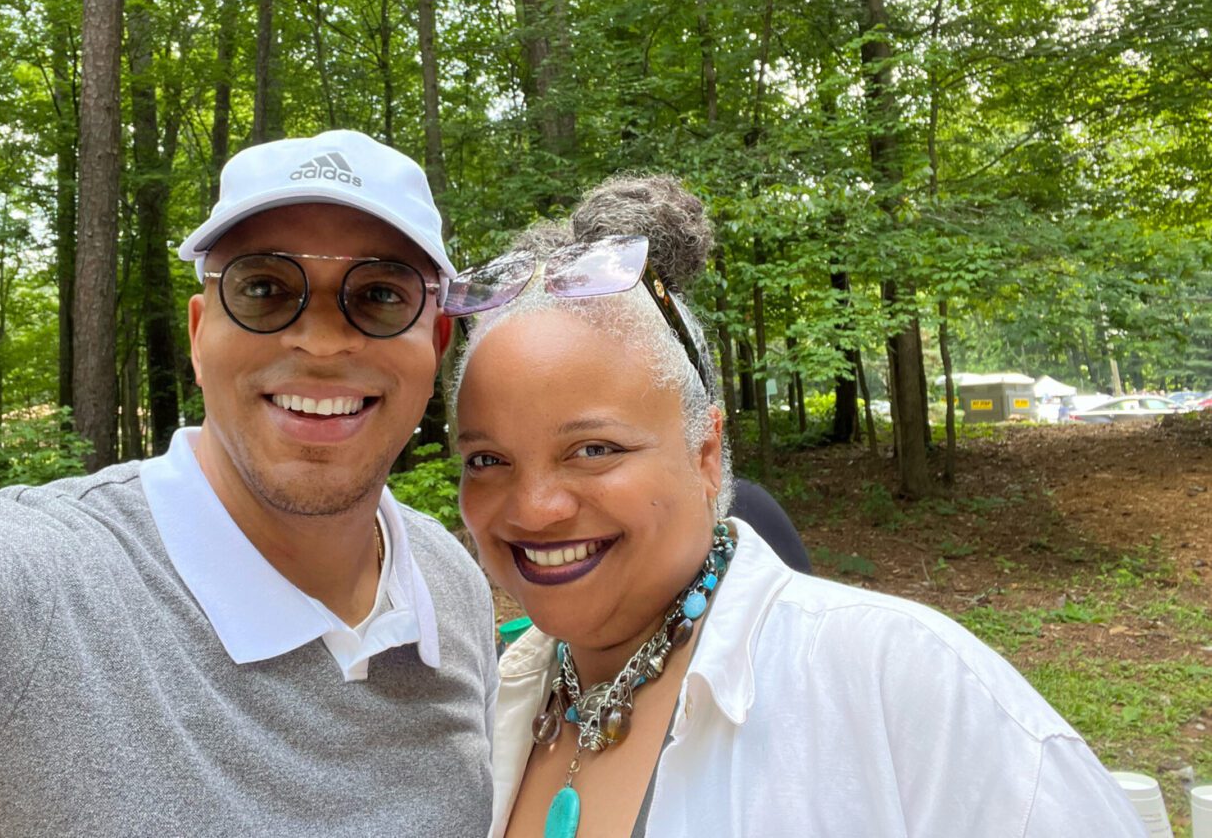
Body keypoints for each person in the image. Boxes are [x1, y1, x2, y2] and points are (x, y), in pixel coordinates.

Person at [0, 130, 497, 837]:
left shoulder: (447, 585)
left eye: (377, 294)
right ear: (198, 331)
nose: (319, 340)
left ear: (433, 343)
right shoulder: (6, 594)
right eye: (265, 288)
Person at [446, 174, 1144, 838]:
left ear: (705, 452)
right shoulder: (475, 704)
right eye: (487, 460)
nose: (534, 508)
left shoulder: (900, 686)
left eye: (592, 448)